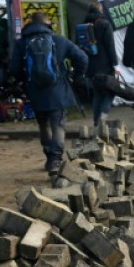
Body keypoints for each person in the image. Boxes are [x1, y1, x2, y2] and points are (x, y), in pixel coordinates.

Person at [9, 12, 88, 173]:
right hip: (57, 90)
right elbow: (82, 58)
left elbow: (14, 68)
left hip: (35, 90)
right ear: (48, 24)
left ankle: (48, 155)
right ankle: (55, 160)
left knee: (43, 124)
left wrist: (24, 81)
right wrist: (76, 76)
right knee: (58, 125)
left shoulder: (22, 43)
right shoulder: (59, 40)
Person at [82, 3, 121, 124]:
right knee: (111, 91)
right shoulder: (105, 24)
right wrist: (115, 64)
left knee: (98, 93)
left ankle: (95, 121)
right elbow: (110, 46)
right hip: (105, 66)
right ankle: (102, 117)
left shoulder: (82, 25)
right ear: (101, 10)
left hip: (90, 66)